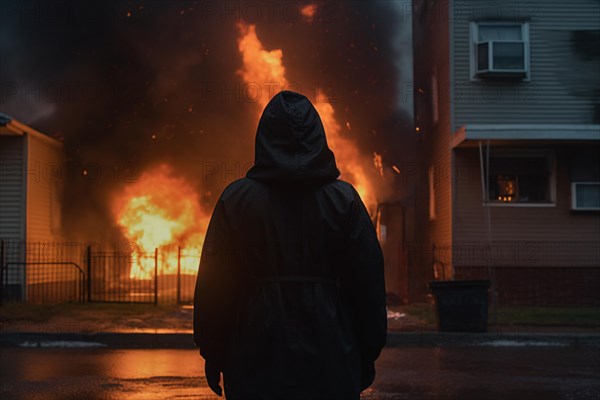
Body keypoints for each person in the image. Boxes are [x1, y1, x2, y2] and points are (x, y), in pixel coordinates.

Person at [194, 91, 386, 400]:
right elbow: (368, 283)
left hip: (254, 357)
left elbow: (215, 287)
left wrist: (212, 351)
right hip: (332, 353)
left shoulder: (236, 200)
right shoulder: (344, 200)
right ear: (317, 136)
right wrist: (368, 350)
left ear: (265, 138)